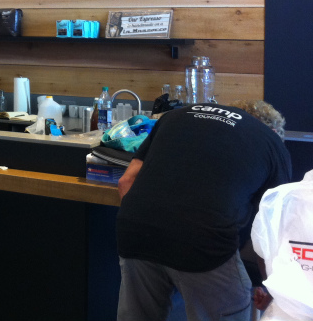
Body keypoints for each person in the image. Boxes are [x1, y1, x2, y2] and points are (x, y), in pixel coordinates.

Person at [116, 101, 292, 321]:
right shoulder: (272, 143)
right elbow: (269, 229)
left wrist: (150, 227)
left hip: (135, 228)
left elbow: (126, 181)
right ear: (274, 131)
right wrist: (270, 286)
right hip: (203, 238)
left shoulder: (175, 117)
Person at [250, 168, 313, 320]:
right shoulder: (281, 199)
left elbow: (265, 253)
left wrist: (274, 294)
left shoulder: (280, 198)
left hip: (284, 313)